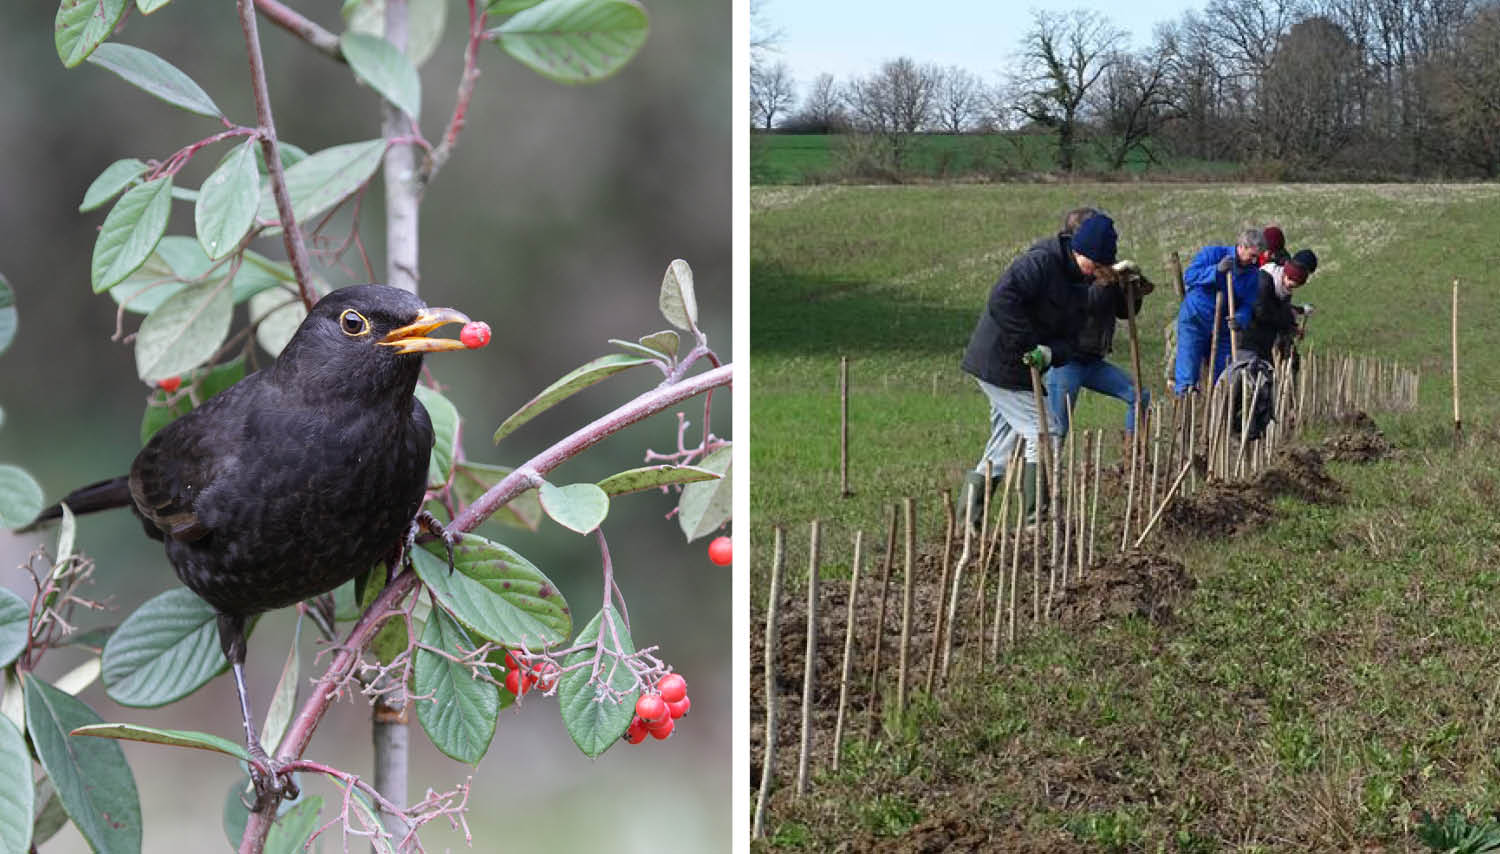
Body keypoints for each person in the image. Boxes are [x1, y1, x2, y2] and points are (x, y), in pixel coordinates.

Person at [959, 213, 1120, 528]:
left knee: (1006, 443)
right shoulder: (1040, 262)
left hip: (1023, 366)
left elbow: (1071, 342)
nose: (1095, 272)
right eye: (1094, 263)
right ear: (1079, 250)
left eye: (1101, 267)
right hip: (998, 361)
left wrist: (1049, 352)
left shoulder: (1079, 285)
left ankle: (967, 523)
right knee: (1045, 432)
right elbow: (1002, 300)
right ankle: (1037, 523)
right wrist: (1028, 344)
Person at [1045, 207, 1153, 445]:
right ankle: (1045, 477)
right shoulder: (1066, 268)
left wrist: (1133, 291)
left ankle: (1132, 460)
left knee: (1139, 396)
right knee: (1057, 430)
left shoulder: (1105, 265)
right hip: (1067, 360)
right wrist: (1107, 279)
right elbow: (1084, 303)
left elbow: (1125, 313)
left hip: (1093, 359)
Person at [1228, 249, 1318, 440]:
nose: (1290, 286)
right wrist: (1286, 322)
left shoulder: (1282, 289)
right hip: (1248, 340)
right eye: (1289, 281)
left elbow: (1281, 313)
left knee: (1263, 386)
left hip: (1263, 343)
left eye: (1294, 285)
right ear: (1286, 273)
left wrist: (1291, 327)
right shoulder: (1265, 280)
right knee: (1243, 383)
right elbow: (1261, 312)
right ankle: (1232, 425)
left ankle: (1250, 429)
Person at [1173, 228, 1265, 394]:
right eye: (1252, 256)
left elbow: (1248, 305)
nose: (1254, 261)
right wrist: (1215, 271)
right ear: (1242, 246)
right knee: (1187, 375)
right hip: (1196, 319)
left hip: (1223, 328)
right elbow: (1190, 276)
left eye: (1256, 257)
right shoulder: (1213, 254)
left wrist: (1239, 319)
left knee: (1223, 378)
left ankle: (1218, 412)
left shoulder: (1253, 275)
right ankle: (1186, 405)